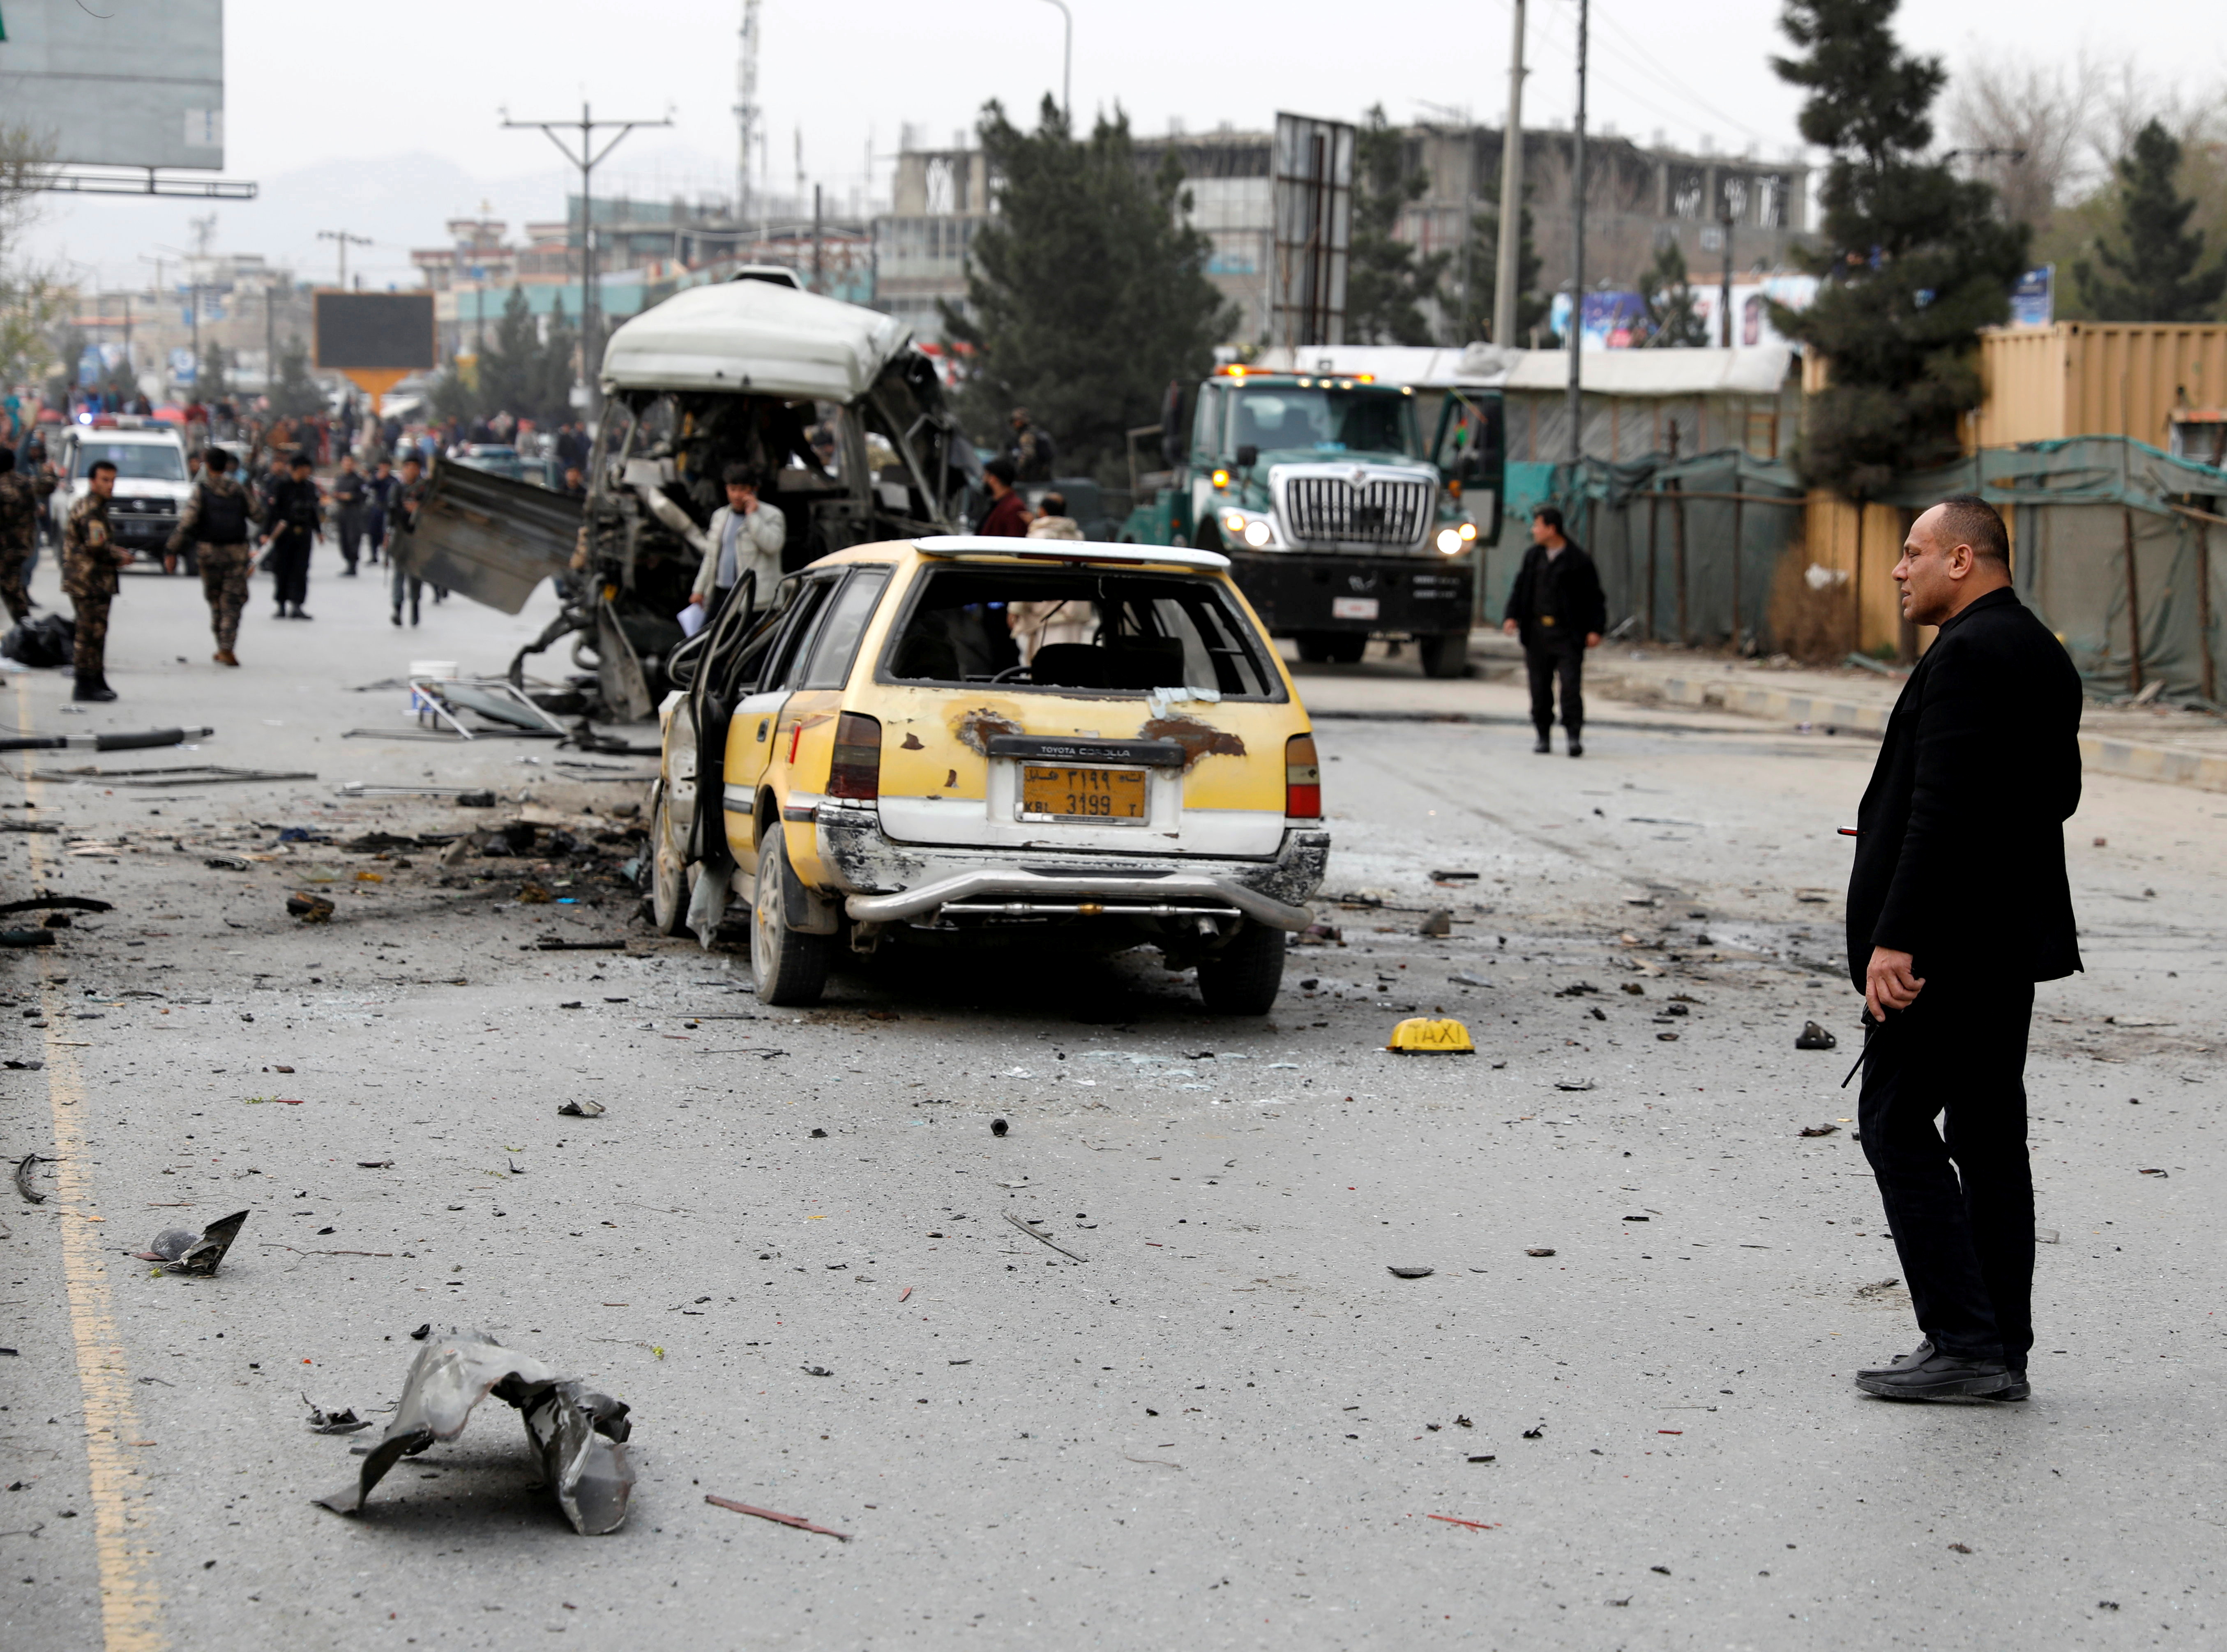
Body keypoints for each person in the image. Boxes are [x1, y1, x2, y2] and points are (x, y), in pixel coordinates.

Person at [1845, 496, 2082, 1404]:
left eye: (1912, 553)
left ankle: (1964, 1340)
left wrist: (1895, 938)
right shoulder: (2038, 651)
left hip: (1945, 948)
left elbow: (1938, 812)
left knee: (1895, 1125)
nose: (1899, 570)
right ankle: (1999, 1345)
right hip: (2003, 943)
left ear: (1961, 559)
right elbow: (2053, 796)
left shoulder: (1969, 655)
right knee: (1986, 1137)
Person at [1501, 505, 1606, 757]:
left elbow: (1594, 598)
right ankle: (1543, 736)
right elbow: (1521, 587)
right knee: (1539, 688)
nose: (1534, 531)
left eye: (1538, 526)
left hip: (1568, 635)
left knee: (1570, 686)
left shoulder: (1578, 560)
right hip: (1537, 633)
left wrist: (1595, 629)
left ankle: (1573, 736)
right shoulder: (1533, 557)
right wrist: (1512, 616)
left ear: (1552, 529)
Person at [168, 445, 263, 667]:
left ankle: (223, 644)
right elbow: (258, 515)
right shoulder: (238, 489)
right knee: (233, 600)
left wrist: (171, 550)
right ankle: (226, 646)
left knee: (216, 600)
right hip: (236, 553)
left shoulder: (202, 490)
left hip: (208, 554)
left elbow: (187, 523)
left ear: (208, 465)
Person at [63, 459, 130, 702]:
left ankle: (96, 679)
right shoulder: (91, 509)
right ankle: (84, 684)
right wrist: (118, 557)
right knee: (87, 633)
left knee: (97, 632)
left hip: (94, 579)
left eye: (113, 481)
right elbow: (96, 546)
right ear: (93, 481)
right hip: (88, 580)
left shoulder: (97, 507)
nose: (110, 486)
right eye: (105, 480)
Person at [686, 465, 786, 617]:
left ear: (753, 490)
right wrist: (699, 590)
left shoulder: (771, 515)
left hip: (755, 601)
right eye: (733, 490)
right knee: (712, 639)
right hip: (722, 595)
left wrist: (753, 516)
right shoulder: (720, 517)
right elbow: (711, 557)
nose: (737, 496)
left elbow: (772, 546)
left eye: (742, 489)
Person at [261, 452, 321, 620]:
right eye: (304, 469)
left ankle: (297, 605)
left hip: (304, 534)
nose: (307, 472)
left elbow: (313, 511)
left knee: (301, 570)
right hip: (284, 534)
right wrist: (266, 533)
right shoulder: (282, 487)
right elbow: (272, 512)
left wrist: (319, 531)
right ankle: (281, 605)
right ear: (296, 469)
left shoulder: (309, 487)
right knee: (282, 569)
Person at [0, 446, 55, 623]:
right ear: (13, 464)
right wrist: (49, 472)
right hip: (17, 549)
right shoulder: (25, 484)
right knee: (15, 596)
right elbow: (48, 485)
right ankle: (27, 633)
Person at [390, 454, 429, 627]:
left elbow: (433, 512)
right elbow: (391, 513)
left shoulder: (425, 490)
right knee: (399, 574)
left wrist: (418, 509)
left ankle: (415, 606)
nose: (411, 470)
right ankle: (397, 610)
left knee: (415, 576)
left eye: (415, 467)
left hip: (419, 538)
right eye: (408, 466)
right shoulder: (398, 489)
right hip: (401, 536)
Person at [330, 454, 369, 576]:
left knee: (353, 538)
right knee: (343, 539)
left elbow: (364, 495)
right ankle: (348, 561)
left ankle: (353, 564)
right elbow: (335, 492)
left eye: (350, 462)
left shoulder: (359, 480)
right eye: (345, 462)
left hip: (354, 512)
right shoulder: (340, 478)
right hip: (342, 511)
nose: (347, 465)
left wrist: (351, 496)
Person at [975, 457, 1031, 537]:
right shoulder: (999, 504)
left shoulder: (1014, 507)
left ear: (993, 479)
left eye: (986, 476)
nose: (983, 480)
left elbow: (1014, 541)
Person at [1009, 408, 1056, 483]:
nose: (1014, 425)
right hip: (1044, 477)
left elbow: (1028, 456)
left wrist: (1018, 472)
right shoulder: (1038, 432)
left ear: (1020, 422)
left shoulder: (1027, 436)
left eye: (1015, 422)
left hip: (1033, 479)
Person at [364, 458, 397, 566]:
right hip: (377, 508)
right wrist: (378, 479)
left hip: (388, 509)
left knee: (387, 534)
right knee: (373, 532)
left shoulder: (393, 480)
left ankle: (387, 557)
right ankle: (374, 555)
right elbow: (367, 487)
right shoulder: (376, 478)